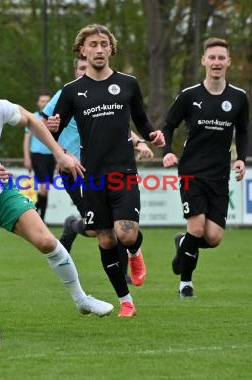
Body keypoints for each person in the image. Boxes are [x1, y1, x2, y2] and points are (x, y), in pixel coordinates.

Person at [0, 63, 114, 327]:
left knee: (46, 241)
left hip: (1, 193)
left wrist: (60, 155)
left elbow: (31, 120)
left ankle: (81, 299)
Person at [47, 24, 165, 317]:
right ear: (82, 51)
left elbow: (140, 118)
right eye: (93, 45)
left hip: (123, 171)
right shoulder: (72, 91)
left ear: (111, 49)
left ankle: (136, 252)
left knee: (125, 235)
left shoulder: (128, 83)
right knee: (105, 239)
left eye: (103, 44)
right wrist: (55, 137)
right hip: (92, 175)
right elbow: (54, 128)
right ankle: (126, 301)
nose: (99, 49)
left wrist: (153, 135)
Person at [42, 57, 154, 286]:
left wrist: (139, 142)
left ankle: (122, 274)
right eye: (81, 68)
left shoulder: (107, 91)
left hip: (106, 168)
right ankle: (74, 226)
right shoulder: (67, 94)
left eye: (88, 67)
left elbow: (119, 125)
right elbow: (45, 128)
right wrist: (62, 154)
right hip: (75, 171)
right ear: (76, 71)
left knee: (118, 225)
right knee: (97, 230)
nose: (86, 71)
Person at [161, 37, 249, 298]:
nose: (217, 62)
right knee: (197, 228)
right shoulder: (190, 96)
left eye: (222, 58)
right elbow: (168, 126)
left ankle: (183, 243)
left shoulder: (239, 97)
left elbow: (243, 131)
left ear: (228, 62)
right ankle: (185, 284)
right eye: (212, 57)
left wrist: (242, 158)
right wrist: (167, 152)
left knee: (213, 237)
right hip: (191, 172)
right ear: (204, 61)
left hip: (220, 175)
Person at [23, 94, 53, 221]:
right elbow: (27, 138)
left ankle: (34, 215)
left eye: (47, 101)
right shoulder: (33, 117)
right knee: (44, 188)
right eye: (42, 101)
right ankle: (40, 218)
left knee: (45, 190)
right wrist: (27, 157)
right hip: (37, 155)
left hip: (51, 156)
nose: (45, 103)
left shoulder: (53, 118)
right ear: (38, 103)